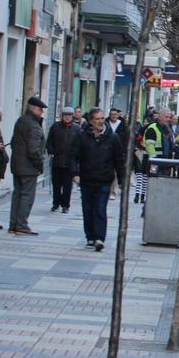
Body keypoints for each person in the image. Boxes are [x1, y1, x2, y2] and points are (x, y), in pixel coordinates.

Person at [70, 107, 125, 251]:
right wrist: (75, 173)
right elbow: (74, 156)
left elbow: (119, 160)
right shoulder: (82, 136)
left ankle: (99, 238)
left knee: (100, 209)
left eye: (102, 118)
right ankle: (90, 237)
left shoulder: (113, 138)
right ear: (90, 121)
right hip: (87, 179)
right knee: (88, 209)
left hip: (104, 179)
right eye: (97, 119)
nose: (101, 121)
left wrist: (121, 180)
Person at [9, 96, 47, 235]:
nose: (42, 112)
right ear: (33, 109)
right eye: (40, 109)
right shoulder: (33, 125)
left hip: (17, 165)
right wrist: (39, 165)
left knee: (17, 194)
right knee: (27, 196)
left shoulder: (21, 120)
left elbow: (14, 142)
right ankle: (21, 224)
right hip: (28, 167)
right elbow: (34, 150)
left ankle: (13, 224)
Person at [46, 107, 79, 212]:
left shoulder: (77, 129)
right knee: (56, 184)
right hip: (57, 161)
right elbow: (49, 141)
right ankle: (56, 203)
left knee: (67, 186)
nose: (67, 117)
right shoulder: (55, 127)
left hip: (70, 163)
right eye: (65, 115)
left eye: (69, 115)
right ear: (62, 116)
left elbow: (80, 145)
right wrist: (51, 151)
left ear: (72, 116)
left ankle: (65, 205)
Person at [106, 108, 128, 199]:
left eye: (115, 114)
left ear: (118, 115)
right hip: (106, 151)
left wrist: (124, 152)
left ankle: (113, 191)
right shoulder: (105, 124)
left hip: (118, 152)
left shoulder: (122, 125)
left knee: (115, 172)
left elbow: (126, 139)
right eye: (112, 114)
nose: (114, 116)